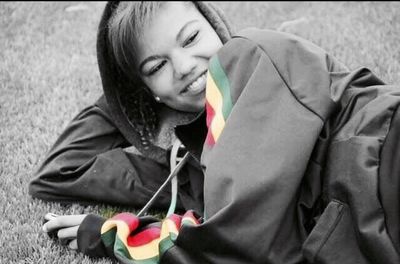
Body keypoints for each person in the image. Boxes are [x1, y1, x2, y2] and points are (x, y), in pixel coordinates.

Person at [37, 1, 400, 264]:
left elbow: (244, 240)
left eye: (191, 38)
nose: (182, 66)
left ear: (216, 27)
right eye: (157, 65)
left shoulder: (254, 56)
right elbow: (58, 174)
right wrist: (124, 100)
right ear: (148, 91)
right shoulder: (190, 169)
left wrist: (113, 238)